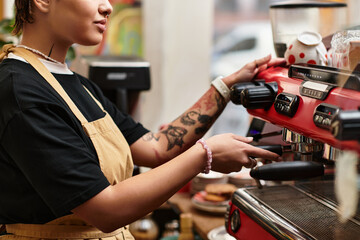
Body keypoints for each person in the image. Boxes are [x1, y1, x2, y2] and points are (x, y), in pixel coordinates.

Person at [0, 0, 285, 239]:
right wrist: (205, 154)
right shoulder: (21, 90)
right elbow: (105, 210)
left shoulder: (76, 84)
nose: (108, 6)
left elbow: (156, 146)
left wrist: (224, 88)